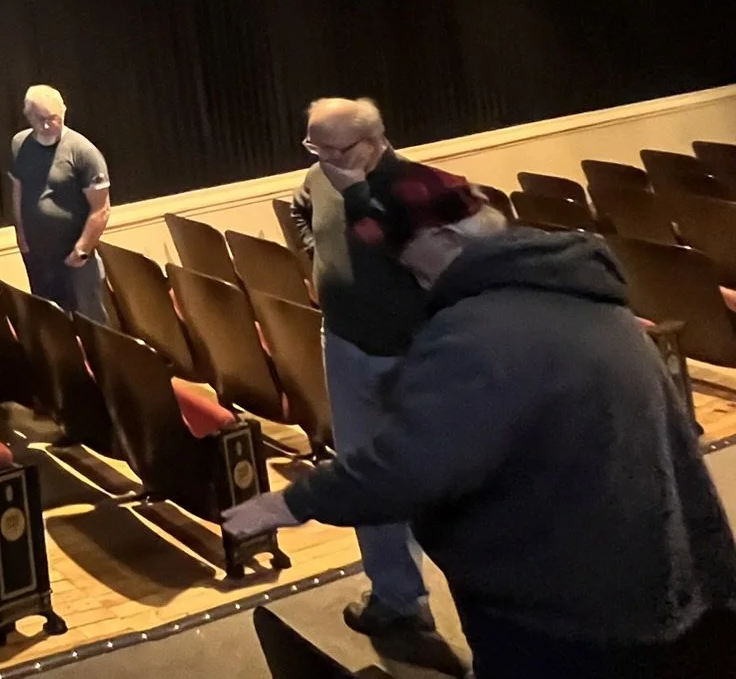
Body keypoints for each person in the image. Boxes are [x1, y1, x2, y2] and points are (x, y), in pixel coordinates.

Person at [229, 158, 736, 678]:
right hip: (659, 570)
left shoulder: (475, 334)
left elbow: (407, 467)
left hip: (566, 609)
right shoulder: (580, 294)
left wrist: (290, 502)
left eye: (408, 257)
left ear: (447, 239)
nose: (408, 274)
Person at [287, 96, 437, 640]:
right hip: (345, 346)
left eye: (337, 148)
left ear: (375, 142)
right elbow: (299, 208)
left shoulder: (417, 192)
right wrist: (317, 259)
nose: (324, 158)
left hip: (412, 355)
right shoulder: (320, 176)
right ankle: (397, 600)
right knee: (364, 475)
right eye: (314, 146)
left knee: (439, 481)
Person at [7, 85, 109, 322]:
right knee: (51, 320)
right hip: (37, 252)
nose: (47, 125)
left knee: (89, 321)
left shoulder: (83, 151)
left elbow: (101, 209)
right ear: (28, 115)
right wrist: (21, 234)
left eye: (53, 118)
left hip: (73, 254)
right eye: (40, 119)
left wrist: (81, 250)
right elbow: (18, 190)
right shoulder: (19, 144)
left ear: (63, 112)